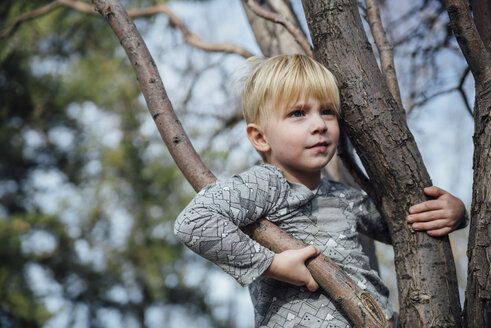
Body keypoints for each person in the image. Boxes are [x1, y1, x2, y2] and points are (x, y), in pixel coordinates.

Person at [174, 54, 467, 327]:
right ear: (260, 137)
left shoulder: (342, 196)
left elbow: (405, 226)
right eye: (298, 113)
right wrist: (272, 264)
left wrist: (454, 213)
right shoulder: (267, 183)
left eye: (327, 112)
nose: (319, 125)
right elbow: (195, 221)